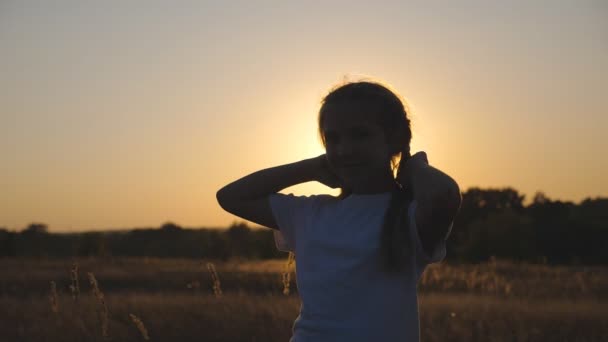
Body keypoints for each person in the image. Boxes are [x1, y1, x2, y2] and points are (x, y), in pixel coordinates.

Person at [216, 79, 462, 341]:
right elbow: (230, 196)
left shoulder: (408, 216)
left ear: (394, 139)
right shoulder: (309, 213)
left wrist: (414, 167)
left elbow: (443, 195)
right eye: (332, 139)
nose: (344, 150)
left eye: (360, 135)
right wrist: (310, 167)